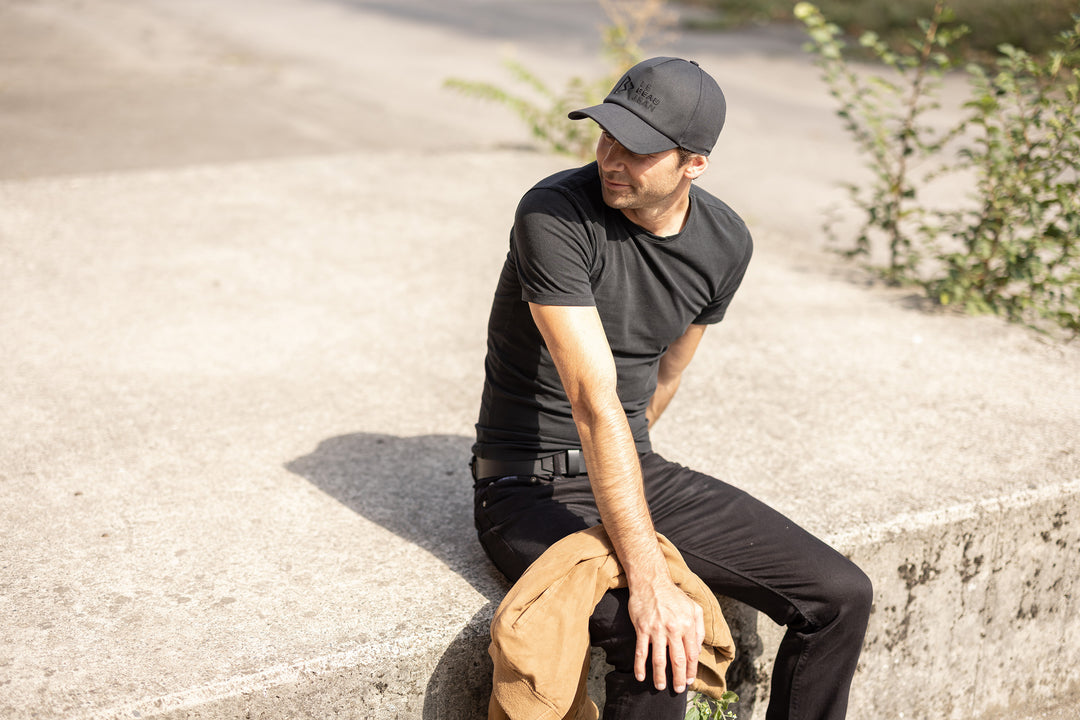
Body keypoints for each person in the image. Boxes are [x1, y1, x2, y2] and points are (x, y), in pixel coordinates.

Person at [470, 56, 872, 720]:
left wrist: (634, 496)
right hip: (526, 483)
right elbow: (594, 403)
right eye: (606, 136)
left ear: (694, 164)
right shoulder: (554, 215)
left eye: (639, 149)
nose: (611, 158)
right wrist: (649, 579)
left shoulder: (724, 242)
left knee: (841, 595)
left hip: (635, 464)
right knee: (651, 633)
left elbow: (667, 373)